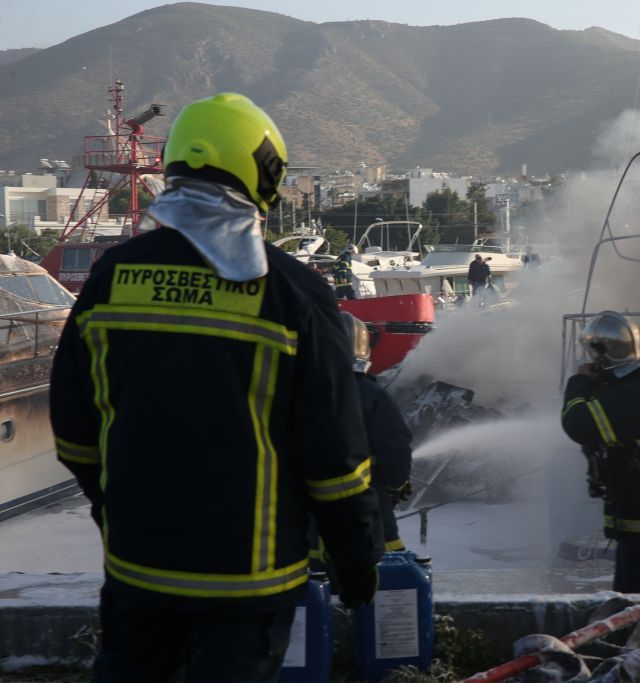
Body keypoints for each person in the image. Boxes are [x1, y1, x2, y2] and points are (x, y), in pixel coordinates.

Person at [49, 92, 383, 682]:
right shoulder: (294, 294)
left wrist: (114, 509)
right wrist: (357, 561)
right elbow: (336, 458)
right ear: (261, 174)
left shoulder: (109, 278)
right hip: (249, 578)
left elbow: (75, 430)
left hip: (138, 568)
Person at [560, 310, 640, 593]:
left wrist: (579, 383)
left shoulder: (629, 394)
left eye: (593, 355)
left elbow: (576, 423)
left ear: (603, 353)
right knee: (633, 601)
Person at [339, 312, 414, 552]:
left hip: (304, 521)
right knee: (388, 579)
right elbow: (396, 447)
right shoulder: (374, 397)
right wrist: (396, 484)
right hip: (369, 508)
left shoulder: (295, 393)